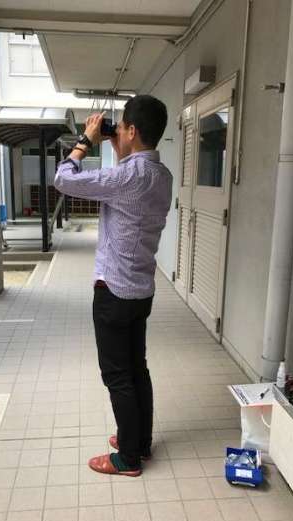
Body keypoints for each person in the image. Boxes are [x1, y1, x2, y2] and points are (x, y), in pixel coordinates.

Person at [55, 95, 173, 476]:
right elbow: (129, 182)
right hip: (141, 290)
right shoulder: (162, 176)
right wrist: (120, 147)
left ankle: (128, 458)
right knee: (137, 369)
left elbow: (63, 179)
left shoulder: (126, 177)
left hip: (114, 292)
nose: (117, 131)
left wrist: (85, 141)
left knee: (117, 375)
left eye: (121, 127)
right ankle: (140, 442)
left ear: (133, 130)